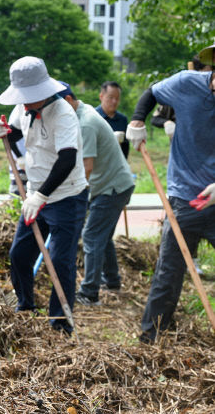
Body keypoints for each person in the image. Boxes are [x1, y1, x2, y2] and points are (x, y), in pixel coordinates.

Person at [0, 57, 88, 334]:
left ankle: (60, 324)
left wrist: (41, 195)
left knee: (60, 262)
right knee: (19, 254)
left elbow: (67, 159)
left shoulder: (63, 114)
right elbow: (17, 134)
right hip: (35, 194)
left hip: (67, 197)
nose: (26, 103)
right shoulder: (22, 108)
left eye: (31, 97)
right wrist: (4, 133)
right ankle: (25, 306)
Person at [126, 42, 215, 343]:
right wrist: (139, 119)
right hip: (185, 197)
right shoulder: (187, 83)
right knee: (169, 271)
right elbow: (152, 92)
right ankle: (152, 338)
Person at [59, 83, 136, 306]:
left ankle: (89, 293)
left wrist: (72, 194)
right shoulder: (83, 111)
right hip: (115, 184)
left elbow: (87, 167)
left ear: (66, 102)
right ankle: (112, 280)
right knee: (101, 235)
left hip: (112, 188)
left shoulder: (86, 124)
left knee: (91, 236)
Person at [95, 81, 129, 159]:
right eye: (110, 97)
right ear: (101, 96)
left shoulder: (122, 119)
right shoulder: (93, 116)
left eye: (117, 98)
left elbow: (125, 147)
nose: (114, 101)